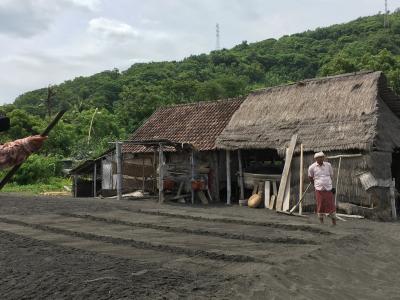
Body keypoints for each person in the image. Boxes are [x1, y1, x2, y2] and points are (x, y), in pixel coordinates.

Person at [308, 151, 337, 225]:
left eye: (322, 157)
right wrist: (315, 184)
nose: (321, 159)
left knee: (331, 205)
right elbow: (310, 177)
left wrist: (329, 184)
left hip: (328, 188)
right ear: (316, 159)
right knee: (320, 205)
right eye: (319, 158)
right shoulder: (312, 167)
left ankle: (334, 223)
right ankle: (321, 223)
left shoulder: (328, 165)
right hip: (319, 189)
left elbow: (331, 175)